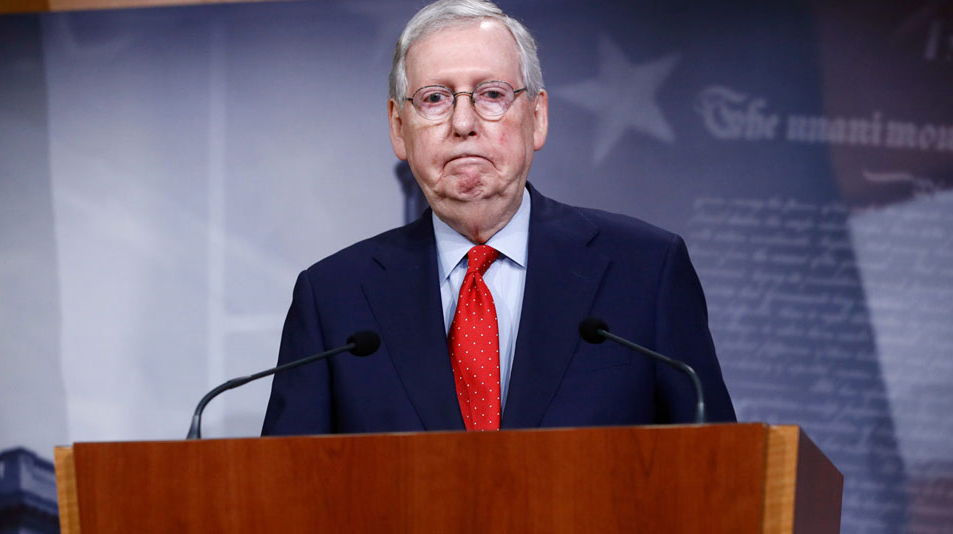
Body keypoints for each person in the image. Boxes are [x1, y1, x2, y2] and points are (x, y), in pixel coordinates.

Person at [262, 0, 735, 435]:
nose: (463, 123)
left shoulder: (646, 271)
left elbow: (719, 470)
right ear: (399, 128)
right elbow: (287, 485)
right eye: (434, 98)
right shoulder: (333, 299)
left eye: (491, 94)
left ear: (537, 117)